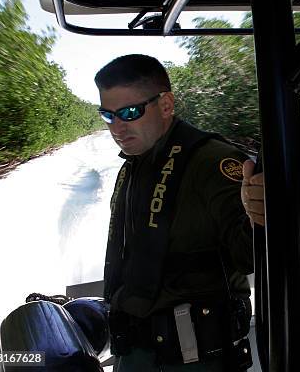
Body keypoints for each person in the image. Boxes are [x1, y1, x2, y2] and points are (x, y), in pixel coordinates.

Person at [96, 54, 264, 371]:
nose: (117, 127)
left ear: (166, 105)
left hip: (195, 358)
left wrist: (262, 220)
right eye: (107, 115)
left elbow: (250, 256)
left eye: (130, 113)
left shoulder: (211, 161)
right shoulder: (131, 167)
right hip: (135, 352)